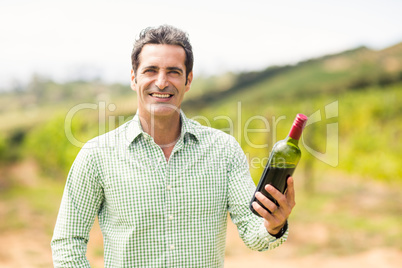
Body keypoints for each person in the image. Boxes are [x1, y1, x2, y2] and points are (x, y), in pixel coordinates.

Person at [51, 24, 295, 268]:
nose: (161, 82)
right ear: (134, 78)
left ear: (188, 80)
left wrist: (273, 225)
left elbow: (254, 233)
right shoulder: (97, 155)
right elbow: (67, 243)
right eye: (150, 70)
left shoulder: (224, 150)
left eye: (173, 72)